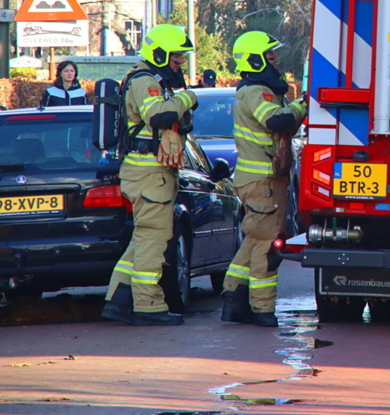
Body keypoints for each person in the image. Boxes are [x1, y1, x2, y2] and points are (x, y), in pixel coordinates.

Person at [101, 25, 199, 326]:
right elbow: (158, 115)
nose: (180, 62)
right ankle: (148, 305)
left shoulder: (150, 79)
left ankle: (118, 301)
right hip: (149, 173)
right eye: (176, 56)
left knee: (142, 240)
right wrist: (187, 98)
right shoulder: (145, 81)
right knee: (154, 240)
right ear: (158, 54)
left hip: (147, 172)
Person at [221, 31, 306, 328]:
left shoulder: (257, 89)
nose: (275, 59)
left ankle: (234, 302)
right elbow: (277, 120)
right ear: (255, 60)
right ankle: (261, 309)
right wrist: (303, 105)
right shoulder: (257, 91)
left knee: (254, 241)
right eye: (270, 55)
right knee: (267, 248)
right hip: (263, 182)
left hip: (260, 181)